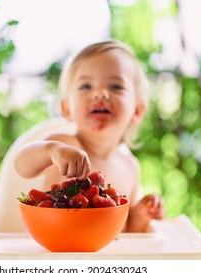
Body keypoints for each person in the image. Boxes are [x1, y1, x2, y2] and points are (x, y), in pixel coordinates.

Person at [14, 39, 164, 232]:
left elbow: (128, 228)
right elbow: (21, 166)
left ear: (137, 109)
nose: (100, 93)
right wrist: (52, 151)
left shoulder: (130, 166)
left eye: (116, 87)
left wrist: (143, 214)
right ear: (66, 108)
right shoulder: (64, 144)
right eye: (86, 86)